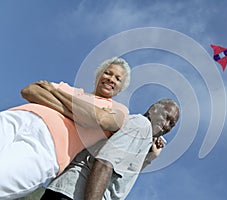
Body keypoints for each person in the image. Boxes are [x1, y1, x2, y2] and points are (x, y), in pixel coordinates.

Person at [0, 57, 131, 199]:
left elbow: (100, 119)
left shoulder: (119, 110)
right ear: (98, 76)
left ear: (119, 89)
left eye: (118, 79)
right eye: (108, 73)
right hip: (16, 118)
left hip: (48, 147)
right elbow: (30, 90)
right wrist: (80, 116)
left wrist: (54, 92)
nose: (111, 79)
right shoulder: (69, 88)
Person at [40, 98, 180, 200]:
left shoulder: (142, 135)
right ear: (153, 109)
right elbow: (104, 163)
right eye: (166, 117)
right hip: (72, 195)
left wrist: (149, 158)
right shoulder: (142, 126)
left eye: (171, 125)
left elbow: (121, 176)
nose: (166, 125)